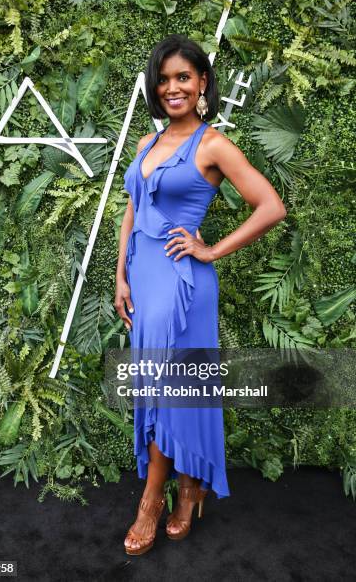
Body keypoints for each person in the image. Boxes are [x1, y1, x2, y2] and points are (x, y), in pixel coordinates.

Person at [114, 34, 287, 556]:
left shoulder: (212, 145)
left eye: (183, 77)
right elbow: (132, 211)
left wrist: (210, 252)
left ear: (202, 82)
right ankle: (189, 488)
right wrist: (120, 275)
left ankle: (152, 499)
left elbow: (270, 206)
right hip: (143, 280)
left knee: (171, 390)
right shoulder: (147, 144)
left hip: (181, 285)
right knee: (165, 388)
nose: (173, 88)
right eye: (164, 79)